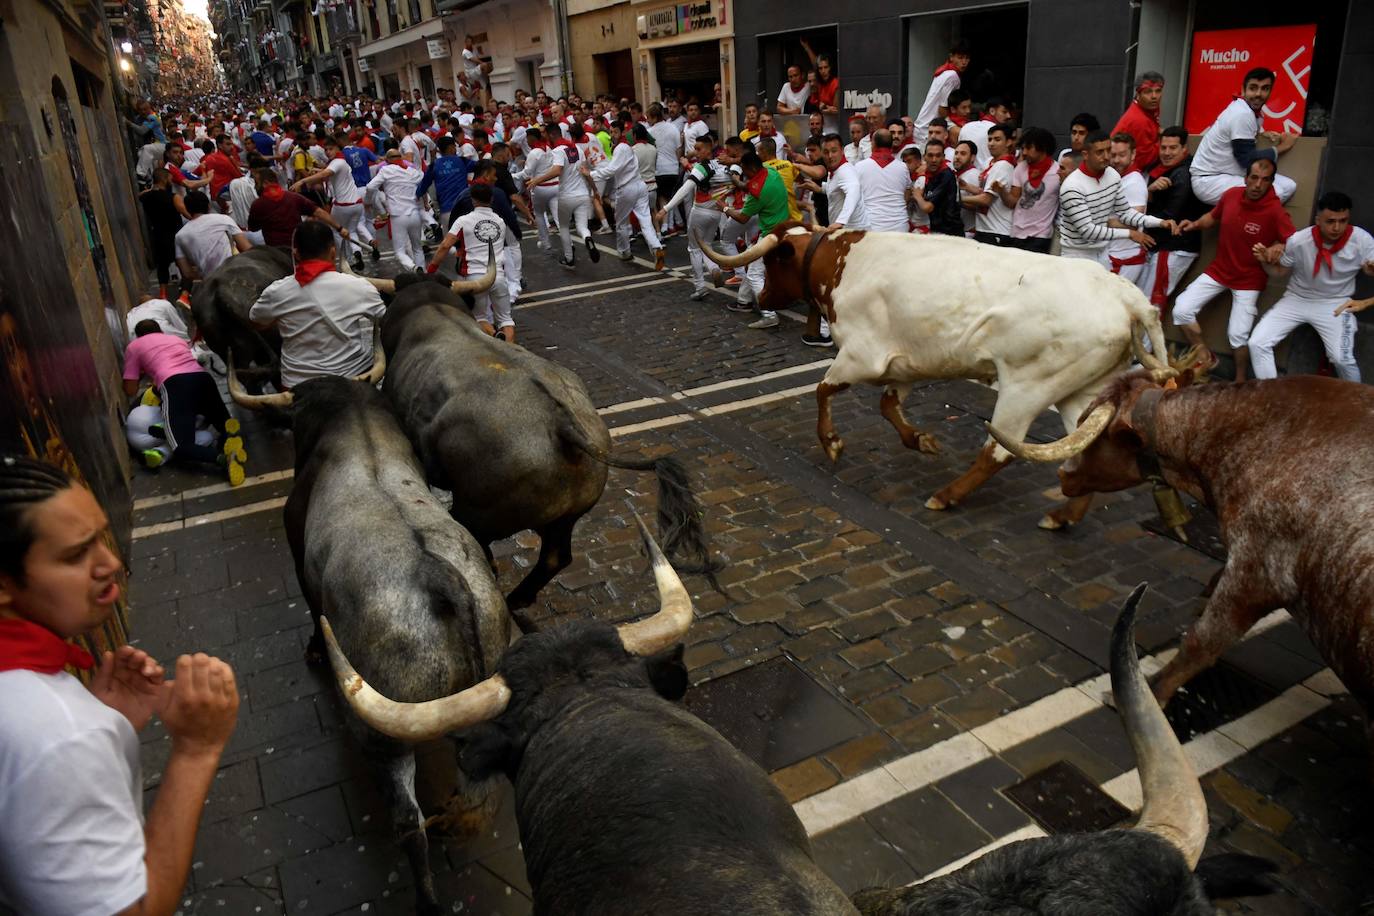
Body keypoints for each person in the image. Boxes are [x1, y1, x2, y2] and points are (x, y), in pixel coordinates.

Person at [0, 455, 239, 915]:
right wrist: (196, 749)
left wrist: (98, 716)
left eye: (102, 539)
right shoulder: (61, 740)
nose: (110, 563)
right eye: (75, 554)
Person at [1169, 158, 1295, 381]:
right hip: (1219, 270)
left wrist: (1277, 247)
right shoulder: (1231, 195)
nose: (1257, 185)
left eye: (1264, 180)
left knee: (1237, 336)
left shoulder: (1276, 211)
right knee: (1181, 310)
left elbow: (1293, 243)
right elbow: (1212, 217)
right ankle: (1206, 357)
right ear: (1245, 178)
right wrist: (1194, 225)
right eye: (1254, 178)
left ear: (1271, 183)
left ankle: (1239, 381)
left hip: (1249, 280)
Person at [1248, 190, 1373, 382]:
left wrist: (1370, 272)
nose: (1337, 227)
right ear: (1318, 220)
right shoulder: (1299, 241)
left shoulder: (1361, 240)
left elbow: (1370, 268)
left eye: (1343, 220)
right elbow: (1280, 273)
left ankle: (1361, 405)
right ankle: (1275, 398)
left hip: (1335, 303)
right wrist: (1266, 262)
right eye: (1330, 221)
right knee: (1257, 343)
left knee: (1342, 359)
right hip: (1296, 299)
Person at [249, 220, 385, 390]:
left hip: (298, 384)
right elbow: (386, 319)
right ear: (333, 252)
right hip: (355, 375)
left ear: (296, 254)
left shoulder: (276, 292)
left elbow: (256, 321)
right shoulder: (360, 287)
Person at [123, 320, 246, 480]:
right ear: (160, 330)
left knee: (181, 446)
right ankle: (228, 435)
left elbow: (130, 390)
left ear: (138, 336)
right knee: (221, 422)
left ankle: (223, 459)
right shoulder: (176, 340)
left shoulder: (134, 346)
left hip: (174, 383)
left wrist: (138, 372)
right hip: (202, 377)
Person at [1057, 131, 1175, 267]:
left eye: (1108, 150)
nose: (1107, 157)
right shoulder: (1072, 186)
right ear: (1085, 155)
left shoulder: (1112, 175)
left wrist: (1159, 222)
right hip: (1076, 257)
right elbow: (1088, 231)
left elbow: (1125, 213)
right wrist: (1130, 233)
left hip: (1103, 255)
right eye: (1099, 152)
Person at [1190, 67, 1298, 205]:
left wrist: (1260, 134)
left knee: (1289, 186)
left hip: (1229, 174)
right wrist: (1283, 146)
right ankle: (1246, 223)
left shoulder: (1251, 112)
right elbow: (1246, 160)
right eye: (1253, 88)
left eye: (1265, 88)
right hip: (1209, 180)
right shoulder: (1242, 113)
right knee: (1277, 191)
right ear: (1243, 90)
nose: (1258, 93)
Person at [428, 183, 514, 342]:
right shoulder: (500, 221)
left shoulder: (464, 220)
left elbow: (445, 245)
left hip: (475, 278)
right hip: (499, 276)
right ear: (492, 199)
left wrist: (432, 268)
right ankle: (513, 351)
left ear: (473, 200)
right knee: (506, 319)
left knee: (479, 317)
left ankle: (494, 335)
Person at [719, 150, 790, 332]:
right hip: (783, 228)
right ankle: (744, 301)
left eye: (744, 171)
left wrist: (725, 208)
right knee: (750, 260)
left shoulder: (757, 194)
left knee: (754, 274)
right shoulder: (771, 171)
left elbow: (742, 217)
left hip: (770, 235)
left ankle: (769, 314)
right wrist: (738, 183)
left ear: (751, 168)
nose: (743, 174)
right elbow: (749, 184)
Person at [1138, 125, 1208, 306]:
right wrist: (1150, 192)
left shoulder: (1183, 175)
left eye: (1173, 148)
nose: (1167, 153)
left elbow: (1169, 216)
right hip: (1163, 245)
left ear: (1184, 149)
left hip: (1173, 246)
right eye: (1163, 147)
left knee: (1152, 302)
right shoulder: (1161, 168)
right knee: (1144, 300)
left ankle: (1147, 336)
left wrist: (1148, 196)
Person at [658, 131, 732, 301]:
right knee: (706, 245)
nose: (695, 152)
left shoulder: (701, 167)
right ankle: (714, 268)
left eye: (699, 149)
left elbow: (687, 188)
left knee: (694, 248)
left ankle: (700, 287)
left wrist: (666, 209)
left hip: (699, 211)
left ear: (708, 150)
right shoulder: (719, 165)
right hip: (716, 212)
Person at [587, 117, 665, 269]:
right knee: (645, 220)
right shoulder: (627, 147)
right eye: (611, 132)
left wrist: (590, 174)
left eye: (615, 132)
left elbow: (611, 170)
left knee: (622, 223)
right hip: (640, 186)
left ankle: (624, 252)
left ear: (622, 132)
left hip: (627, 188)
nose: (612, 135)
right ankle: (656, 247)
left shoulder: (621, 147)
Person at [290, 135, 370, 270]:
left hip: (343, 205)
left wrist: (302, 181)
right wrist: (317, 171)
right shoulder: (341, 161)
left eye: (330, 149)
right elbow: (327, 173)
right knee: (351, 231)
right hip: (357, 204)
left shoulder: (337, 162)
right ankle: (357, 253)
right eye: (326, 149)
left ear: (337, 148)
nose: (327, 152)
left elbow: (325, 175)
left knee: (336, 230)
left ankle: (346, 261)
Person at [527, 122, 599, 270]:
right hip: (583, 194)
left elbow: (556, 171)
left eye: (545, 134)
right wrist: (594, 190)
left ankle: (569, 258)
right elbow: (585, 171)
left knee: (564, 227)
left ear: (552, 134)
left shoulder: (558, 151)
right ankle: (587, 238)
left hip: (567, 196)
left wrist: (536, 180)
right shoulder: (577, 148)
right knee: (582, 227)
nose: (545, 137)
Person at [250, 168, 350, 252]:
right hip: (299, 249)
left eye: (256, 183)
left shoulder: (257, 205)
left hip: (276, 254)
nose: (255, 186)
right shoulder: (293, 197)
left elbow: (253, 228)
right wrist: (340, 228)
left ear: (266, 183)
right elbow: (319, 212)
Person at [174, 191, 251, 290]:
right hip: (234, 276)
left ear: (188, 210)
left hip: (209, 284)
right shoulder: (223, 219)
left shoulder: (180, 235)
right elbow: (246, 248)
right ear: (208, 206)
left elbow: (187, 273)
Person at [364, 149, 426, 271]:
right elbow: (423, 179)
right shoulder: (413, 172)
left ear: (387, 160)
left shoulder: (386, 170)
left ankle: (413, 268)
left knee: (399, 252)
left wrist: (367, 202)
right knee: (417, 248)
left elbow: (370, 187)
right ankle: (423, 272)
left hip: (398, 216)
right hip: (415, 214)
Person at [1105, 132, 1150, 283]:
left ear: (1133, 154)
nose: (1116, 160)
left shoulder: (1134, 183)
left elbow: (1134, 221)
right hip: (1113, 255)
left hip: (1126, 258)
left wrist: (1106, 221)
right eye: (1113, 155)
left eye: (1122, 155)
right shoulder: (1117, 178)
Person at [1007, 126, 1059, 253]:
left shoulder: (1058, 172)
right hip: (1016, 233)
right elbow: (1012, 200)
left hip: (1041, 236)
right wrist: (1001, 191)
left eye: (1028, 148)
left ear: (1043, 148)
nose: (1024, 152)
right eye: (1023, 148)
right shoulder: (1020, 168)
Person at [140, 168, 190, 300]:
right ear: (164, 179)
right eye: (170, 178)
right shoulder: (174, 198)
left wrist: (152, 189)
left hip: (157, 235)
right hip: (175, 235)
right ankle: (184, 295)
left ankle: (163, 294)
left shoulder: (146, 197)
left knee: (162, 266)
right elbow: (187, 214)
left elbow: (142, 194)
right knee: (183, 265)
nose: (171, 181)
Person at [967, 122, 1017, 247]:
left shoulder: (1003, 165)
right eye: (989, 139)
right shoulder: (991, 162)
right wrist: (967, 187)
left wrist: (958, 198)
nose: (991, 143)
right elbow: (984, 192)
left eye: (997, 139)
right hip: (987, 229)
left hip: (996, 230)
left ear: (1009, 142)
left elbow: (986, 199)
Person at [913, 40, 970, 149]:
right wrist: (952, 126)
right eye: (960, 58)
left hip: (924, 127)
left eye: (966, 58)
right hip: (929, 129)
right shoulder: (952, 76)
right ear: (951, 57)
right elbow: (942, 109)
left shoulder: (944, 72)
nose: (964, 62)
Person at [854, 129, 909, 233]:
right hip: (900, 226)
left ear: (873, 144)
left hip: (872, 226)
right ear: (891, 144)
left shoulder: (859, 167)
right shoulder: (903, 167)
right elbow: (908, 190)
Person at [1112, 71, 1165, 174]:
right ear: (1138, 93)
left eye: (1158, 91)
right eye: (1148, 92)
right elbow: (1144, 160)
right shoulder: (1139, 120)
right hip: (1128, 174)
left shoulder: (1148, 109)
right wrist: (1162, 140)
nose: (1154, 96)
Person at [520, 127, 560, 251]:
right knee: (559, 217)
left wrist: (512, 175)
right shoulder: (548, 148)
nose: (526, 141)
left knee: (539, 214)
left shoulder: (533, 153)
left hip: (540, 188)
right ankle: (570, 245)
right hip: (555, 186)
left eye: (527, 138)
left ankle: (545, 243)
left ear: (532, 138)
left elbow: (527, 174)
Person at [648, 103, 685, 236]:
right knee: (670, 197)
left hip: (659, 169)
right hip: (673, 168)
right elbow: (679, 147)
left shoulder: (650, 132)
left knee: (662, 199)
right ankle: (674, 223)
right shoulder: (673, 128)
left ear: (653, 117)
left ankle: (665, 226)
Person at [955, 98, 1011, 170]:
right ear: (992, 111)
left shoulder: (966, 126)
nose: (1008, 116)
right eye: (1004, 112)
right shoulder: (1000, 132)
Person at [801, 39, 840, 114]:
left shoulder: (835, 83)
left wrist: (824, 108)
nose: (823, 71)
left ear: (830, 68)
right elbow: (815, 63)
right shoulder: (820, 82)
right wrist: (807, 47)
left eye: (826, 67)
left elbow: (835, 111)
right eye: (820, 68)